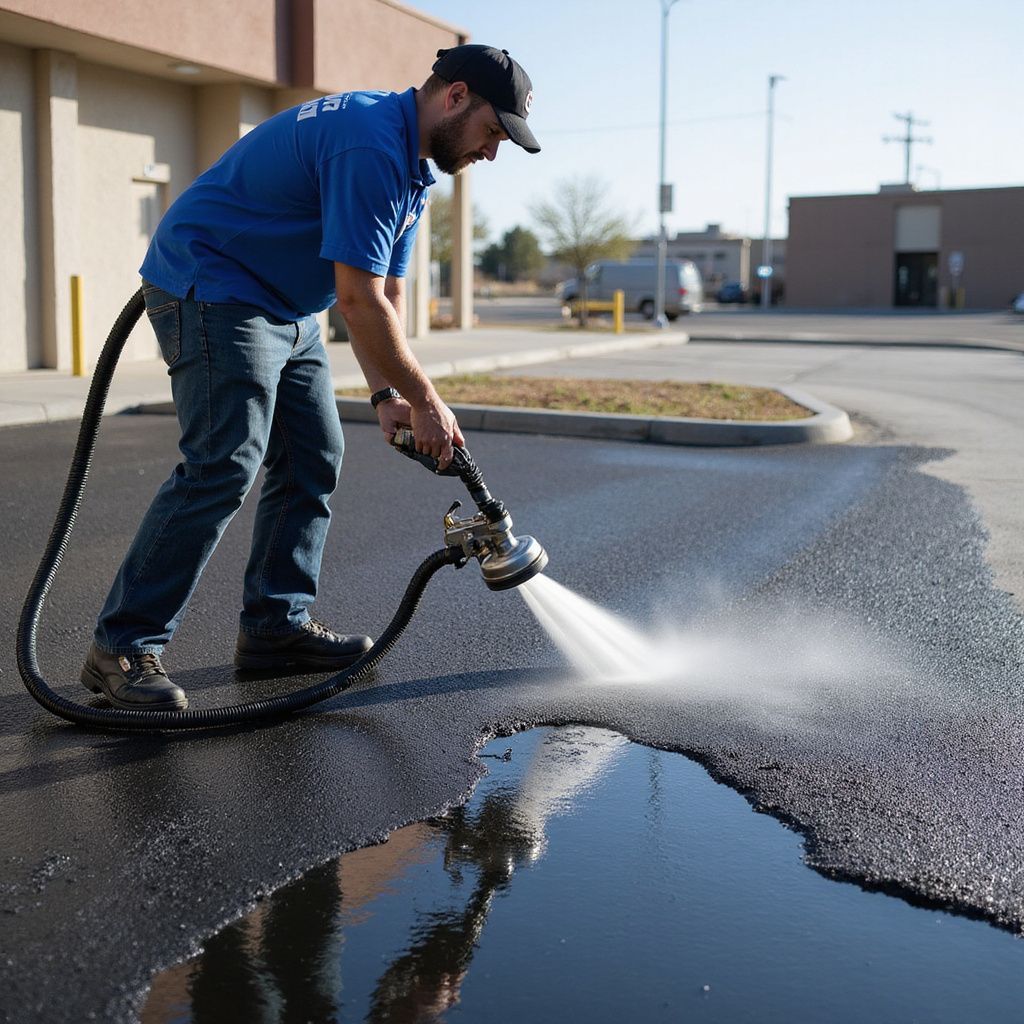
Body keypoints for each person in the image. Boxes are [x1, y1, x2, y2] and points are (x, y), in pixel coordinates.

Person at [79, 44, 540, 711]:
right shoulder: (369, 146)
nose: (491, 153)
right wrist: (427, 400)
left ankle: (274, 628)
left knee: (315, 454)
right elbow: (354, 301)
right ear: (456, 96)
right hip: (214, 285)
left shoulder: (411, 171)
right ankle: (121, 646)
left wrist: (388, 395)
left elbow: (384, 294)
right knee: (223, 461)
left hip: (285, 306)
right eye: (493, 132)